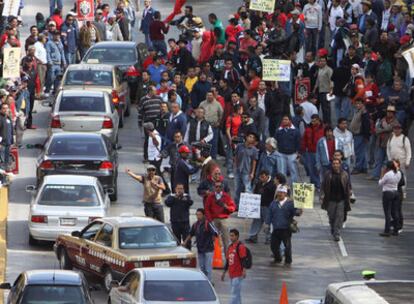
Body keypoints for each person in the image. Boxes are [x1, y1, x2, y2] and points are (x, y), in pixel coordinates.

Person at [265, 185, 302, 265]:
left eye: (282, 192)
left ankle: (288, 261)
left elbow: (296, 212)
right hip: (276, 228)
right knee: (273, 246)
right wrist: (267, 224)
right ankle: (278, 258)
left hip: (286, 229)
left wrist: (299, 211)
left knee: (287, 247)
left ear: (285, 193)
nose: (280, 194)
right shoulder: (273, 203)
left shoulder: (290, 203)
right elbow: (269, 214)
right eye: (279, 192)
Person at [183, 208, 218, 282]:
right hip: (200, 250)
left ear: (204, 215)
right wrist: (185, 242)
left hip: (208, 249)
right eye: (197, 215)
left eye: (200, 215)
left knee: (208, 268)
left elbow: (215, 233)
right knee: (202, 268)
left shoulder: (208, 224)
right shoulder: (195, 225)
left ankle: (208, 282)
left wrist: (216, 241)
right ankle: (204, 281)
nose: (198, 216)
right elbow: (191, 234)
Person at [321, 158, 352, 241]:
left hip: (341, 200)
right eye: (334, 163)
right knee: (331, 216)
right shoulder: (328, 174)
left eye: (337, 163)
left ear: (340, 164)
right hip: (330, 199)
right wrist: (322, 194)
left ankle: (337, 233)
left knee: (339, 216)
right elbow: (323, 185)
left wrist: (349, 194)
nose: (335, 165)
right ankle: (333, 227)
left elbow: (348, 186)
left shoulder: (344, 174)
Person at [205, 181, 236, 253]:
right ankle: (214, 258)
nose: (218, 188)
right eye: (216, 187)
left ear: (222, 188)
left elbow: (233, 208)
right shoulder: (210, 196)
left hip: (224, 219)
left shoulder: (226, 196)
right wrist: (210, 220)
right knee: (213, 239)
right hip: (214, 219)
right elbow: (207, 209)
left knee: (226, 239)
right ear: (214, 188)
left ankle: (227, 259)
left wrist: (226, 207)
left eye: (220, 187)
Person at [246, 170, 276, 244]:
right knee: (256, 221)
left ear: (267, 176)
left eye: (263, 177)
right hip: (258, 206)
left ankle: (269, 238)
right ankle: (252, 236)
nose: (261, 179)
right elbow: (255, 193)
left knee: (268, 223)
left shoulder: (273, 184)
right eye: (260, 177)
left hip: (267, 207)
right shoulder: (259, 183)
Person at [221, 229, 248, 304]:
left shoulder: (240, 247)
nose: (231, 237)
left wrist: (244, 270)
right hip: (231, 274)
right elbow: (227, 261)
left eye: (232, 236)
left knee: (234, 294)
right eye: (230, 235)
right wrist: (224, 272)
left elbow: (243, 259)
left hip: (238, 274)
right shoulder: (230, 247)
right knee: (237, 294)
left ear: (237, 236)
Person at [234, 132, 259, 207]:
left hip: (247, 171)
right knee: (237, 188)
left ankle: (249, 207)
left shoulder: (254, 149)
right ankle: (237, 205)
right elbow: (235, 156)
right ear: (246, 137)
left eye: (253, 138)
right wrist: (235, 166)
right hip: (238, 170)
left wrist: (252, 173)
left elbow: (254, 162)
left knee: (247, 189)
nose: (251, 138)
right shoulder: (239, 146)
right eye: (250, 136)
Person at [386, 125, 411, 198]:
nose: (396, 130)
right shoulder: (391, 138)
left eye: (398, 129)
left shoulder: (404, 139)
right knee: (392, 176)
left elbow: (408, 151)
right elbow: (388, 149)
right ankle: (393, 191)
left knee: (402, 177)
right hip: (393, 161)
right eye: (395, 129)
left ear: (401, 130)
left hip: (402, 161)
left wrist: (407, 162)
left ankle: (403, 192)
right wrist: (389, 159)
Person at [378, 161, 401, 237]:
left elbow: (380, 183)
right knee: (395, 212)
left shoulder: (388, 174)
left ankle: (387, 230)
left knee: (387, 212)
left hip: (387, 193)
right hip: (396, 192)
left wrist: (382, 174)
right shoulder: (398, 173)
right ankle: (396, 229)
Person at [301, 114, 325, 189]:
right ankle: (313, 183)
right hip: (310, 152)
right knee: (311, 169)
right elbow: (304, 140)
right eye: (312, 121)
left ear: (318, 120)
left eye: (315, 121)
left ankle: (318, 183)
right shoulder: (308, 129)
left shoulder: (323, 129)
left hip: (320, 152)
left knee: (318, 168)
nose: (313, 122)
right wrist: (303, 150)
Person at [275, 116, 301, 184]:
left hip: (292, 154)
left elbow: (298, 142)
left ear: (290, 121)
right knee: (281, 171)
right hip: (281, 153)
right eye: (283, 119)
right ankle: (282, 186)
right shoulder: (278, 130)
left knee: (293, 171)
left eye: (286, 119)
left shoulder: (296, 131)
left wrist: (298, 153)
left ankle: (294, 186)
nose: (284, 121)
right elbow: (276, 141)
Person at [349, 99, 371, 174]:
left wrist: (366, 136)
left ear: (362, 104)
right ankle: (364, 167)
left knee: (358, 152)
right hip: (357, 134)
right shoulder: (358, 111)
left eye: (359, 103)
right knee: (361, 151)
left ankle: (358, 167)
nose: (357, 105)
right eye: (356, 103)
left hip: (360, 134)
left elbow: (366, 125)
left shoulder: (364, 113)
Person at [0, 103, 13, 170]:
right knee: (2, 164)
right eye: (3, 108)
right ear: (0, 110)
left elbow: (11, 131)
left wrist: (12, 142)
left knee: (6, 162)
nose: (5, 110)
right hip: (2, 144)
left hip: (8, 143)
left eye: (7, 108)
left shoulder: (8, 118)